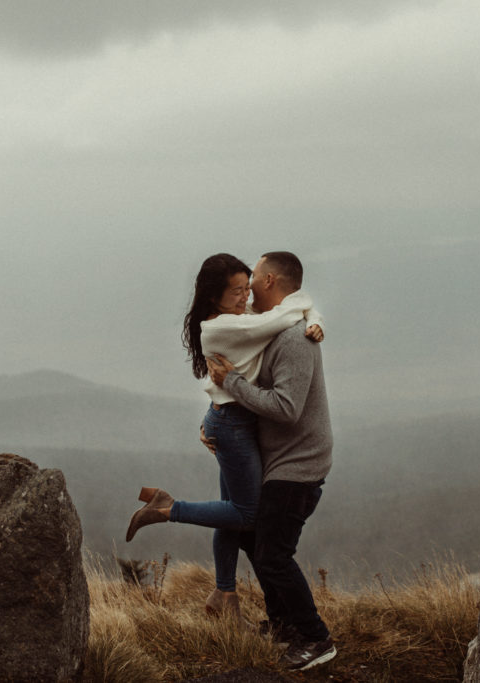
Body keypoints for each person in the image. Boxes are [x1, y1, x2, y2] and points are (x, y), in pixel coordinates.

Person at [125, 253, 323, 621]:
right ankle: (167, 508)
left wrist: (315, 319)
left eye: (246, 288)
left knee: (229, 514)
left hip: (233, 422)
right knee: (245, 514)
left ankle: (224, 595)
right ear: (214, 295)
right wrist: (311, 317)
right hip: (232, 424)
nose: (244, 297)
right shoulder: (220, 327)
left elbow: (294, 307)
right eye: (235, 291)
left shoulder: (237, 317)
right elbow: (287, 313)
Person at [206, 251, 337, 672]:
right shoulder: (276, 332)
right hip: (279, 459)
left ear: (270, 281)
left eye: (255, 280)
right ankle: (284, 625)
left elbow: (286, 408)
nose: (248, 293)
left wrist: (234, 383)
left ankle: (316, 640)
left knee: (273, 556)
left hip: (298, 466)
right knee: (251, 537)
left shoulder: (296, 340)